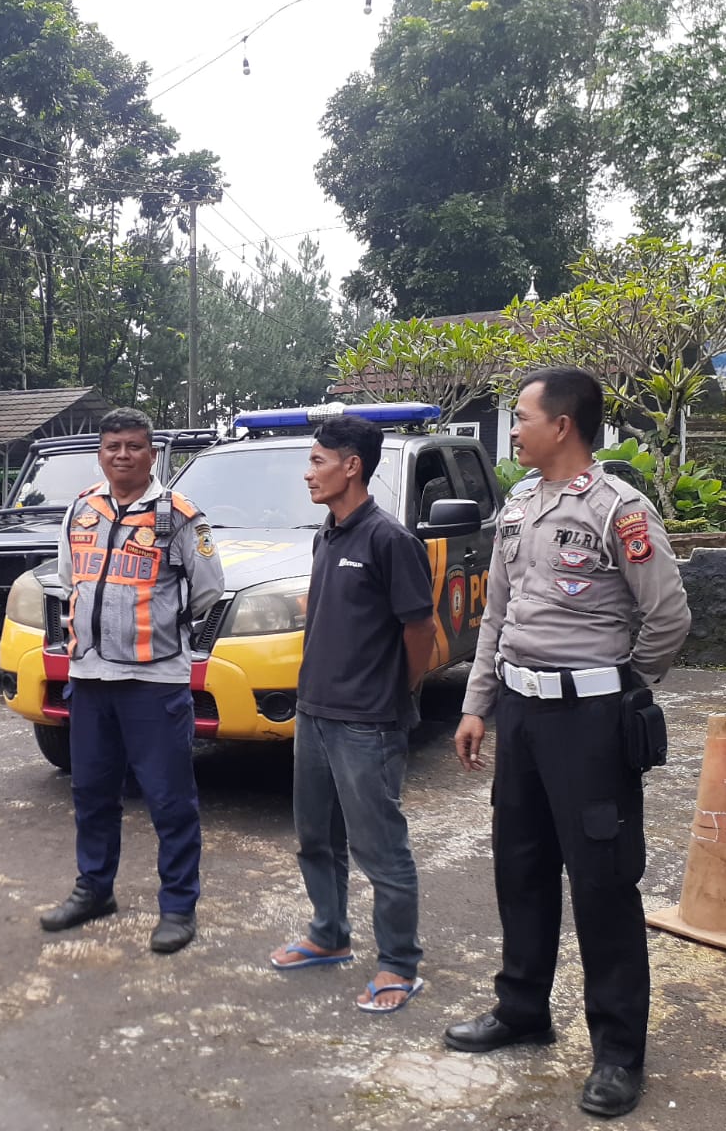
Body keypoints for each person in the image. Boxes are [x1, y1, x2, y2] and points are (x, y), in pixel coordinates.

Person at [443, 369, 691, 1119]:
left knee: (602, 883)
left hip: (591, 723)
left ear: (562, 425)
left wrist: (620, 687)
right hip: (520, 714)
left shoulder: (621, 509)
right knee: (520, 868)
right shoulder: (518, 506)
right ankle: (522, 1009)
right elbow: (496, 617)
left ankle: (617, 1052)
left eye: (522, 417)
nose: (513, 429)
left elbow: (668, 617)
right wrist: (477, 705)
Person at [38, 407, 226, 954]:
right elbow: (70, 579)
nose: (123, 455)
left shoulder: (180, 516)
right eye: (113, 446)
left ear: (152, 453)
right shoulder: (81, 509)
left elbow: (209, 589)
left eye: (134, 446)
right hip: (90, 675)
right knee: (92, 791)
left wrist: (164, 629)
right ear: (101, 453)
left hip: (154, 681)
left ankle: (178, 907)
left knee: (169, 799)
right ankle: (94, 889)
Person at [269, 415, 437, 1014]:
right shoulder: (328, 535)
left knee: (380, 848)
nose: (308, 473)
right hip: (314, 712)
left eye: (318, 461)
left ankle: (399, 964)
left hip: (367, 722)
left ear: (352, 466)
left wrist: (398, 690)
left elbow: (421, 628)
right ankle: (329, 934)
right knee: (316, 838)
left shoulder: (390, 540)